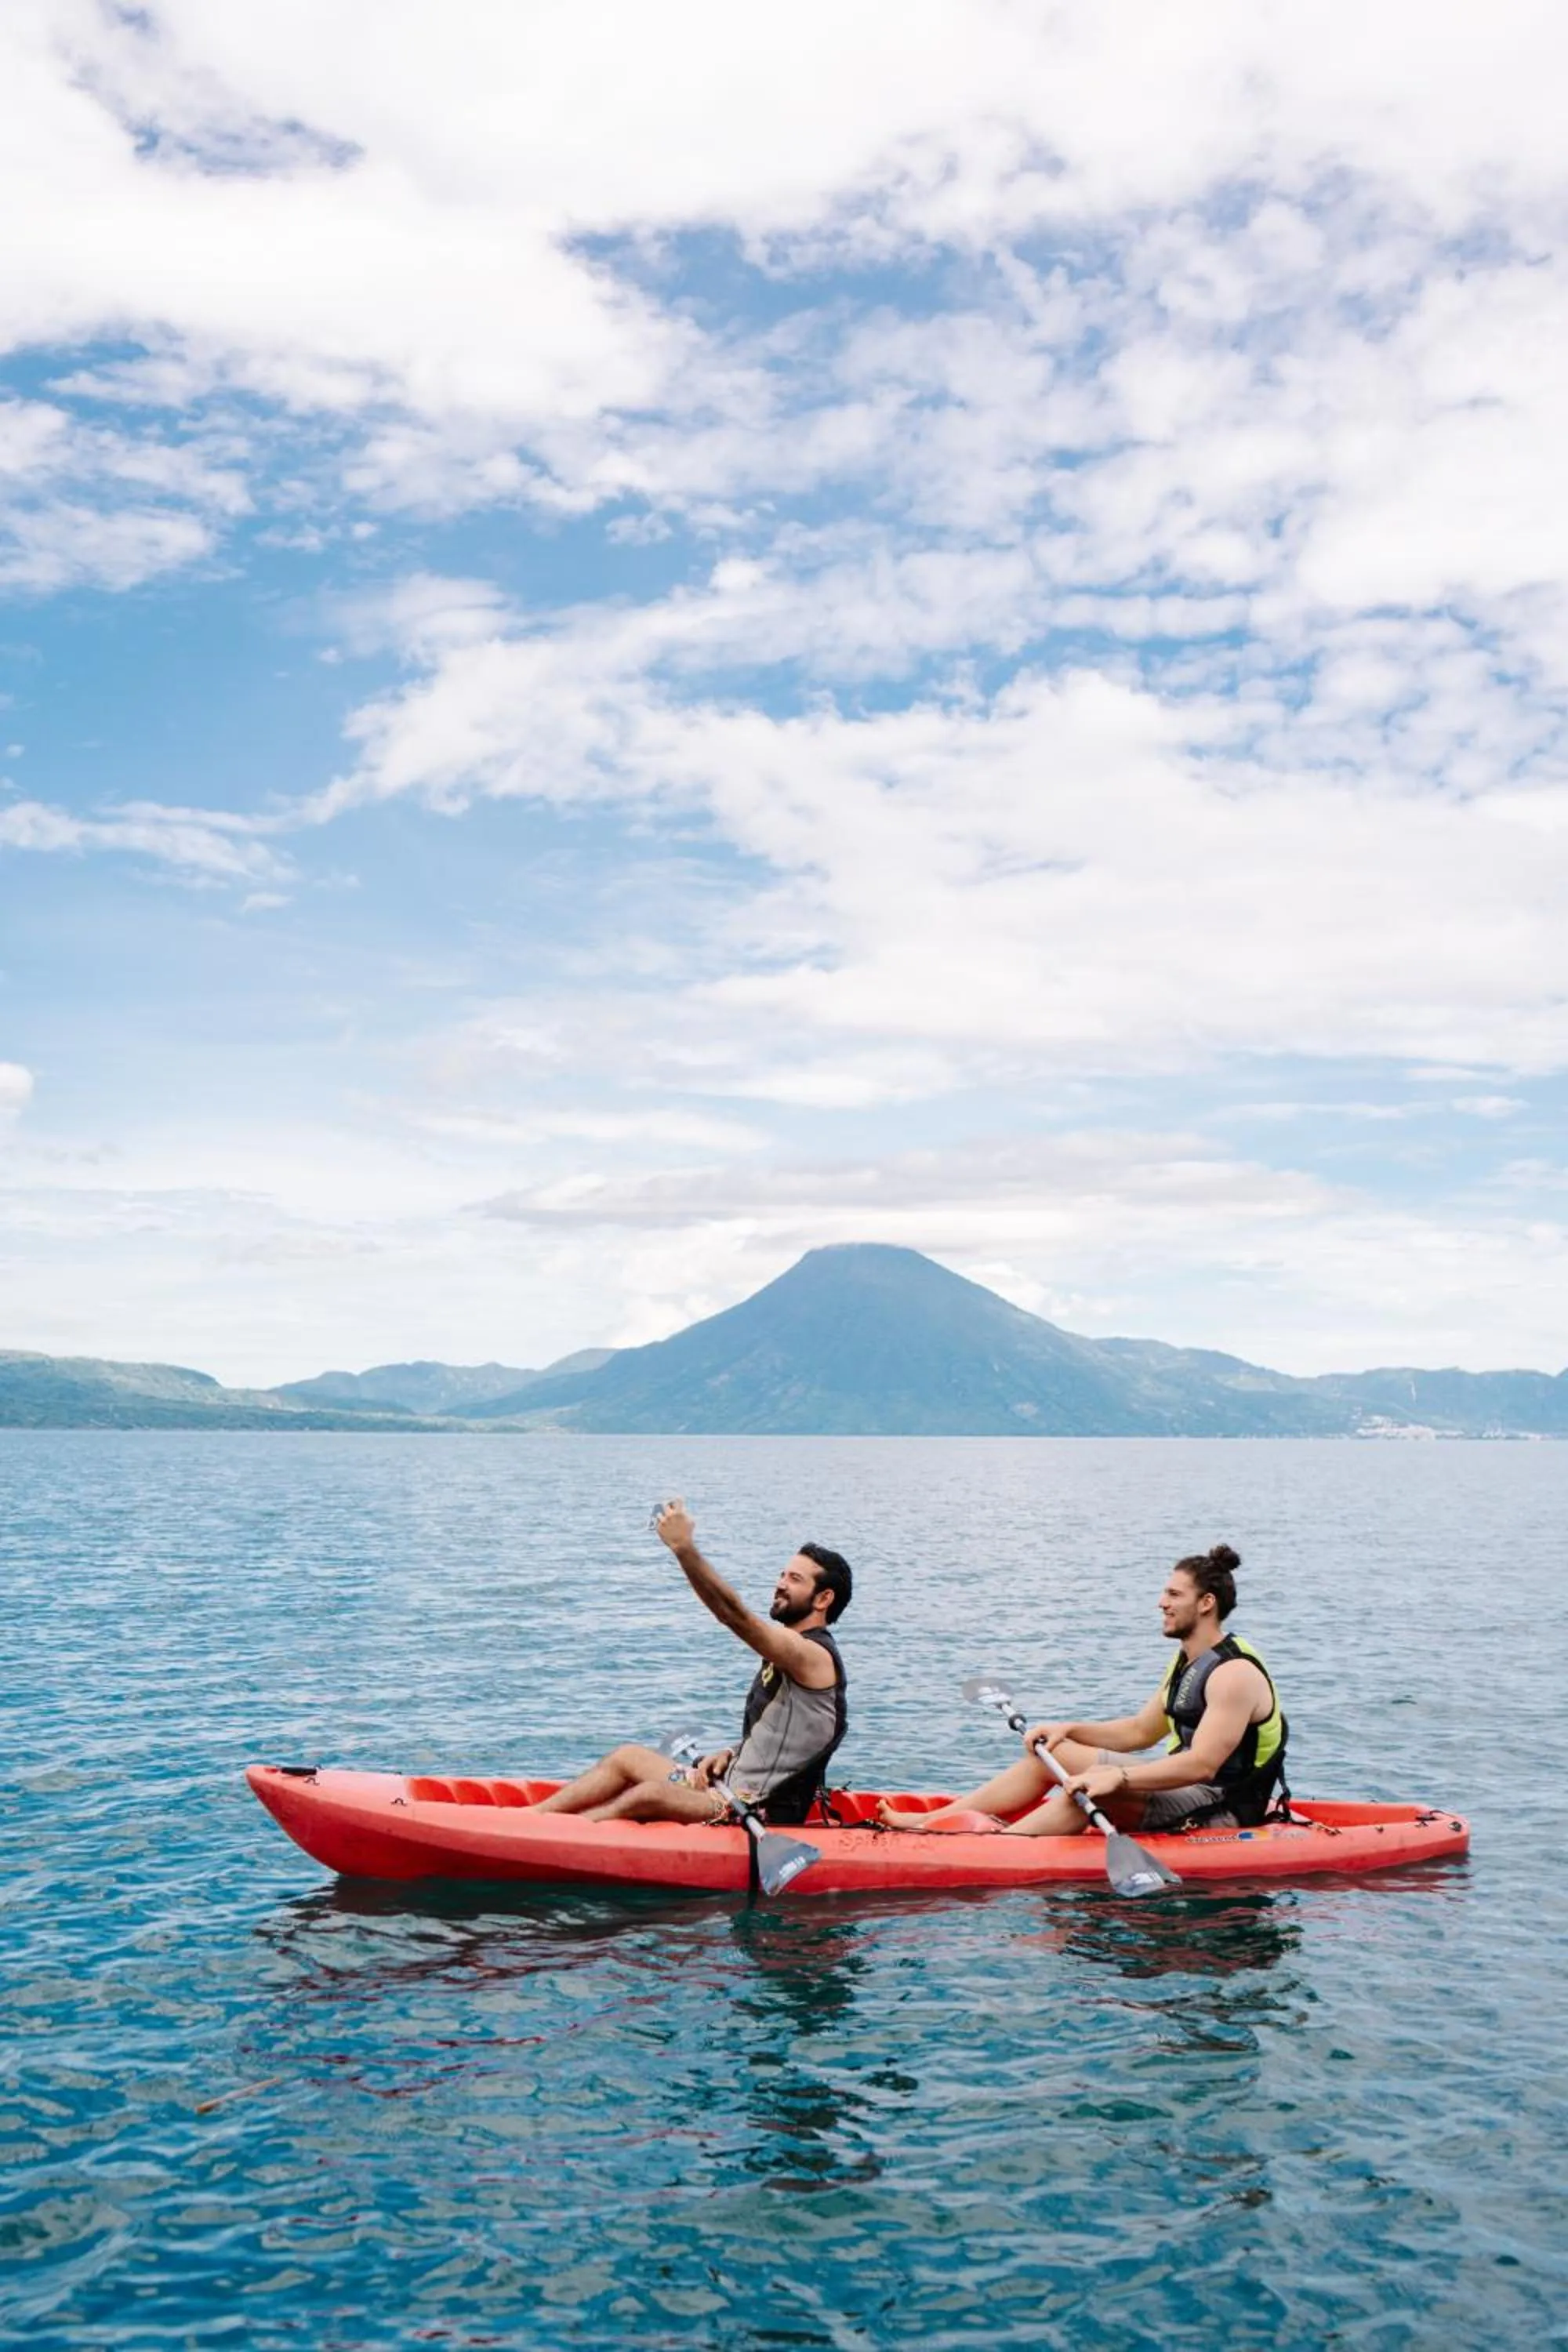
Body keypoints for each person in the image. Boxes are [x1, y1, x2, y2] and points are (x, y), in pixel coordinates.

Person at [878, 1543, 1286, 1836]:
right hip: (1187, 1789)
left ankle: (1002, 1846)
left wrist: (1118, 1779)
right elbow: (1140, 1733)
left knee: (1092, 1787)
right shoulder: (1189, 1661)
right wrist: (1068, 1729)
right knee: (1051, 1755)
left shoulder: (1233, 1674)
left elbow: (1202, 1766)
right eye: (1165, 1592)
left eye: (1174, 1594)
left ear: (1206, 1604)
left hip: (1222, 1806)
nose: (1161, 1602)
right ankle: (931, 1822)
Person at [532, 1498, 851, 1827]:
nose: (781, 1583)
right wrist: (731, 1753)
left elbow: (733, 1615)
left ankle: (559, 1835)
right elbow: (787, 1738)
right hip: (726, 1785)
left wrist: (684, 1548)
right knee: (628, 1758)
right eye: (783, 1574)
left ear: (824, 1598)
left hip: (753, 1808)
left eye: (795, 1579)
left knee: (649, 1795)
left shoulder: (813, 1656)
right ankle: (531, 1819)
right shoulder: (790, 1652)